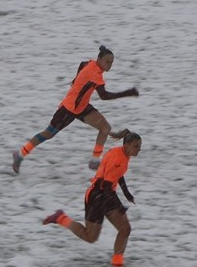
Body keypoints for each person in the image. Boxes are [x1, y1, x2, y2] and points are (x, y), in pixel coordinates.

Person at [11, 45, 139, 174]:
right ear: (99, 59)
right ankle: (20, 154)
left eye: (111, 62)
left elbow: (82, 63)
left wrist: (76, 79)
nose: (110, 65)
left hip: (82, 106)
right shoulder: (95, 75)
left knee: (105, 128)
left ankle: (95, 161)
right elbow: (104, 96)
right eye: (107, 62)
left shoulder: (90, 63)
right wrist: (128, 93)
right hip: (68, 109)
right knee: (48, 133)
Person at [42, 129, 143, 267]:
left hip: (105, 194)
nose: (139, 150)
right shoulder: (117, 158)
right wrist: (119, 206)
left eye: (140, 146)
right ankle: (60, 218)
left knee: (124, 229)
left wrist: (126, 192)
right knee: (91, 237)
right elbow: (106, 185)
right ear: (126, 144)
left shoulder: (122, 154)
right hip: (97, 196)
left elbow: (118, 175)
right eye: (136, 146)